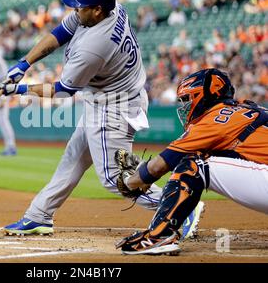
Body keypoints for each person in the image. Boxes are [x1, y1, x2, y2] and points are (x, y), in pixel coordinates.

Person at [0, 0, 203, 237]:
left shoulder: (94, 47)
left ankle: (178, 206)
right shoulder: (110, 8)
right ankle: (39, 215)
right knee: (73, 158)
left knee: (114, 177)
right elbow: (61, 32)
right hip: (111, 98)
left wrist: (21, 89)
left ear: (96, 10)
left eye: (80, 6)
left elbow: (63, 91)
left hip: (114, 107)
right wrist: (24, 64)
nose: (74, 9)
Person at [114, 68, 268, 255]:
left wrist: (130, 182)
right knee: (204, 158)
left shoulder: (216, 118)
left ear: (206, 96)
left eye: (189, 99)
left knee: (193, 163)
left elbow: (158, 167)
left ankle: (159, 236)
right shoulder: (248, 108)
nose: (185, 106)